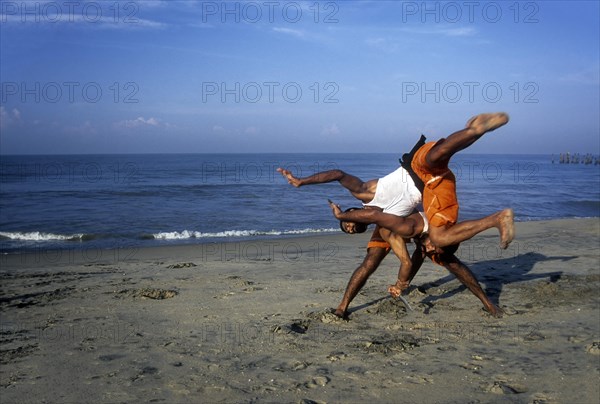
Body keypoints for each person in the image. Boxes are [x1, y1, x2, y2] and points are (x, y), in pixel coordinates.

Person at [328, 112, 514, 251]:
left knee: (434, 157)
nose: (351, 228)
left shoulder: (367, 194)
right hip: (433, 187)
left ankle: (475, 130)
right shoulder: (388, 224)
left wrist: (301, 182)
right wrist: (402, 281)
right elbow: (387, 227)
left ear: (352, 212)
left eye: (348, 223)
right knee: (439, 238)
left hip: (415, 167)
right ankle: (497, 218)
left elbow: (339, 175)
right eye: (350, 230)